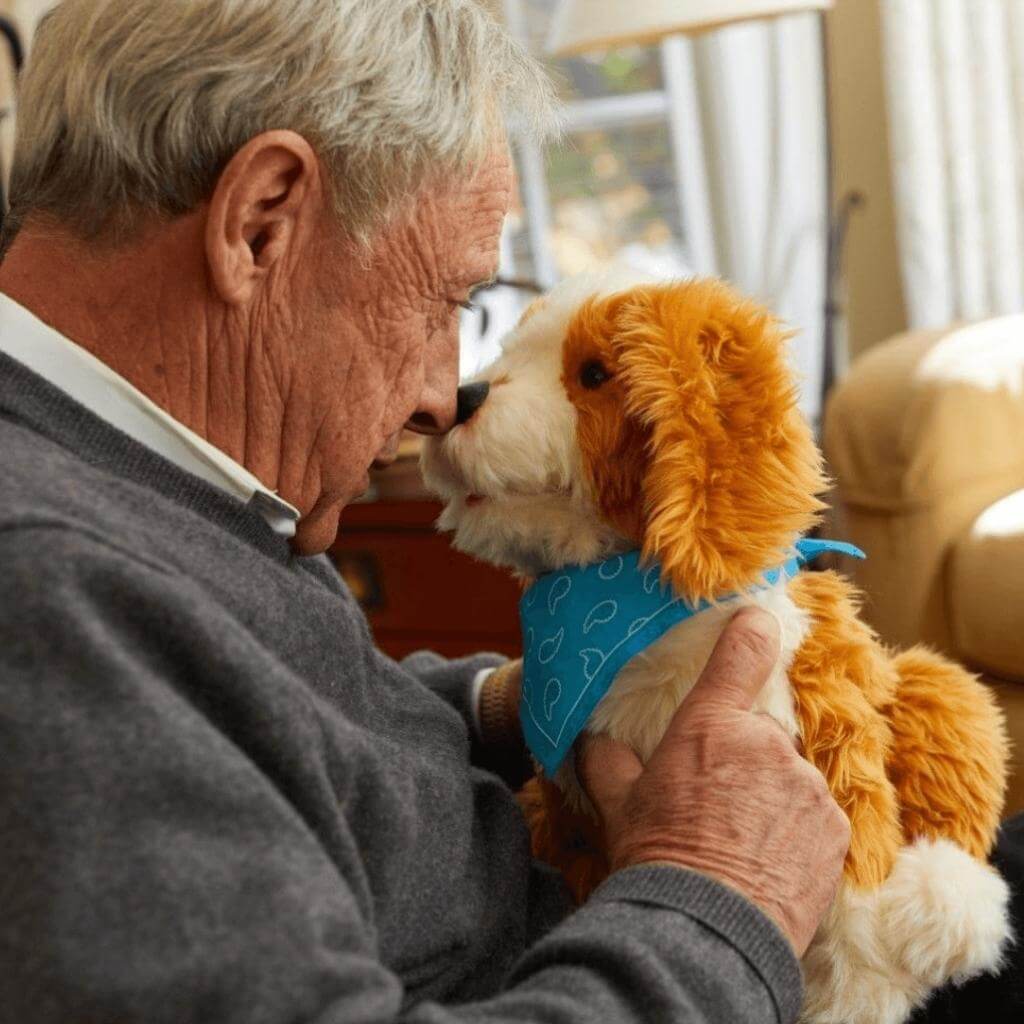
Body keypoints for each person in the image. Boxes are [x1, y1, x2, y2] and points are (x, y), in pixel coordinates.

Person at [0, 3, 1011, 1023]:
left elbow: (281, 722)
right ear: (262, 220)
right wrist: (716, 893)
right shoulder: (42, 601)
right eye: (443, 299)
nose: (444, 393)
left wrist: (511, 702)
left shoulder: (149, 466)